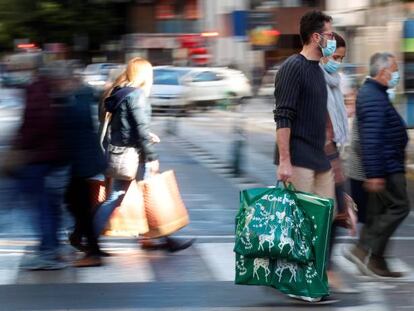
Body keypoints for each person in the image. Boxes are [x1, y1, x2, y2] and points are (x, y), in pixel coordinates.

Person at [96, 57, 193, 252]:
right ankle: (165, 239)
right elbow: (139, 129)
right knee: (150, 195)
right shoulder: (137, 95)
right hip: (134, 155)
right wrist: (151, 156)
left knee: (118, 197)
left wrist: (147, 135)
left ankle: (151, 238)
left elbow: (124, 126)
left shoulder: (119, 93)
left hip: (120, 153)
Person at [344, 52, 410, 278]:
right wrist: (374, 174)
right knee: (399, 207)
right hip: (386, 167)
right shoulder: (372, 96)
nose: (396, 74)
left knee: (382, 211)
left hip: (388, 164)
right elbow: (371, 138)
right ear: (383, 72)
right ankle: (362, 248)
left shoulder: (377, 93)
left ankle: (376, 261)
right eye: (394, 70)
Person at [274, 10, 335, 202]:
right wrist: (284, 161)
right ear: (316, 37)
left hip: (320, 159)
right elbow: (283, 116)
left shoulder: (318, 70)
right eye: (330, 35)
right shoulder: (293, 67)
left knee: (325, 219)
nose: (333, 40)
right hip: (299, 160)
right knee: (301, 224)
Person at [16, 58, 71, 270]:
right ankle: (53, 247)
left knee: (41, 206)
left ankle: (48, 252)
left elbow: (35, 122)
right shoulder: (55, 91)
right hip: (55, 157)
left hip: (39, 157)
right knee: (49, 205)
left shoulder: (37, 89)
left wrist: (21, 146)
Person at [319, 32, 356, 292]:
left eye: (341, 58)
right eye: (335, 56)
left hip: (332, 154)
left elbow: (344, 112)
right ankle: (323, 269)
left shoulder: (338, 80)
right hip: (316, 156)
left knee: (336, 214)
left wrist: (348, 106)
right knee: (329, 214)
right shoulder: (313, 78)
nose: (338, 62)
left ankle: (324, 268)